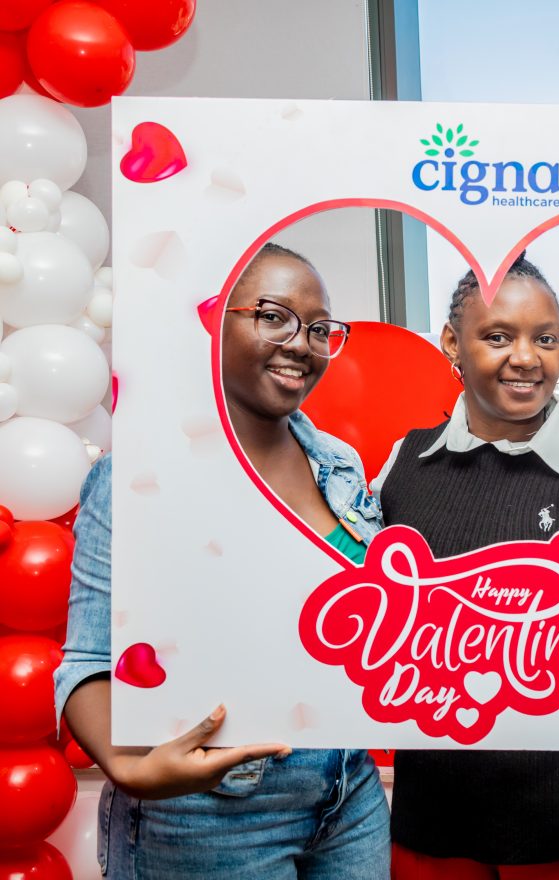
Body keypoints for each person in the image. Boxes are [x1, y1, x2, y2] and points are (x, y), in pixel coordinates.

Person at [54, 242, 390, 879]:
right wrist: (130, 769)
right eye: (272, 316)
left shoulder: (339, 464)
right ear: (214, 321)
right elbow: (88, 661)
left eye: (320, 329)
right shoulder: (141, 477)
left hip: (349, 791)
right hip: (206, 809)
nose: (301, 343)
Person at [370, 253, 559, 880]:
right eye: (498, 336)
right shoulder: (404, 465)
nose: (526, 357)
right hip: (430, 823)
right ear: (452, 342)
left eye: (546, 339)